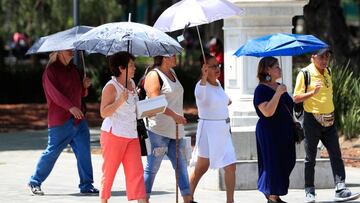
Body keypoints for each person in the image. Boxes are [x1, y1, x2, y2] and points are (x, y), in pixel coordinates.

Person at [293, 49, 360, 203]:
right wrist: (312, 92)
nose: (325, 60)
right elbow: (296, 98)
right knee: (310, 158)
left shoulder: (328, 71)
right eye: (321, 57)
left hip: (329, 120)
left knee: (336, 154)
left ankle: (340, 188)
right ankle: (309, 191)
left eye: (327, 57)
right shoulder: (305, 74)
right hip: (311, 120)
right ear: (313, 57)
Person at [28, 50, 98, 195]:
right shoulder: (50, 72)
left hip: (79, 121)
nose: (71, 51)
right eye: (67, 49)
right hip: (60, 121)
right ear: (59, 52)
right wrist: (70, 107)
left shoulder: (74, 70)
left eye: (72, 48)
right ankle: (34, 182)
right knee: (51, 153)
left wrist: (85, 87)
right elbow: (55, 95)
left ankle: (87, 185)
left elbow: (80, 93)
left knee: (84, 153)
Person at [143, 55, 194, 203]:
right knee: (153, 167)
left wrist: (177, 118)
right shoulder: (154, 75)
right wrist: (175, 116)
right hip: (158, 130)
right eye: (173, 54)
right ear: (165, 57)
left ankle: (187, 199)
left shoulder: (173, 73)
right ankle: (144, 199)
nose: (176, 57)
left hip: (175, 129)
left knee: (181, 166)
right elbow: (155, 102)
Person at [99, 52, 147, 203]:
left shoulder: (132, 84)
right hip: (114, 135)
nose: (134, 68)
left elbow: (134, 110)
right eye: (131, 65)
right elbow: (103, 112)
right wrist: (120, 101)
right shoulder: (111, 87)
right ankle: (103, 200)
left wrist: (148, 109)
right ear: (121, 68)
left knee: (136, 174)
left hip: (131, 135)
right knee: (109, 172)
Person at [189, 53, 236, 203]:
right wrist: (203, 77)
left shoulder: (218, 84)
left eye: (218, 65)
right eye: (213, 66)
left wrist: (226, 101)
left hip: (223, 130)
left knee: (231, 165)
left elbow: (225, 100)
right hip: (208, 130)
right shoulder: (200, 86)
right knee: (202, 167)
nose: (217, 68)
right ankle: (188, 197)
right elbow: (200, 95)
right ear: (205, 69)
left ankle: (230, 201)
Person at [253, 57, 296, 203]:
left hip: (285, 132)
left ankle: (273, 194)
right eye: (276, 66)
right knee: (272, 164)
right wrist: (277, 93)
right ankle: (272, 196)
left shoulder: (279, 86)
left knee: (288, 161)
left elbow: (290, 106)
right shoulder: (261, 90)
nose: (280, 69)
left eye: (279, 66)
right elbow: (267, 112)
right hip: (269, 133)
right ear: (267, 70)